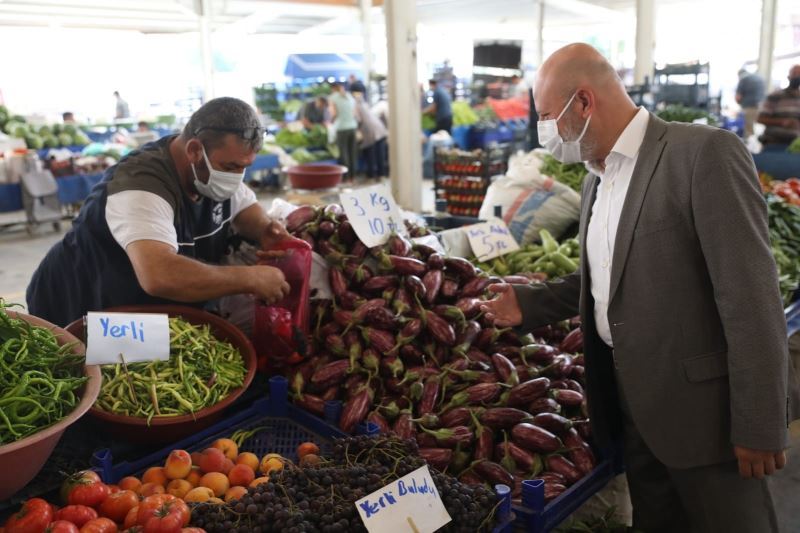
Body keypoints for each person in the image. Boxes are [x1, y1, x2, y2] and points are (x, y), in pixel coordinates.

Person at [481, 43, 799, 533]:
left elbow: (752, 299)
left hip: (706, 420)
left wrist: (760, 422)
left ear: (583, 103)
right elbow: (605, 277)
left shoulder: (701, 154)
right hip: (634, 410)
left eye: (546, 117)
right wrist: (527, 302)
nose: (544, 133)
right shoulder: (595, 179)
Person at [27, 97, 290, 328]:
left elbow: (245, 210)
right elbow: (160, 275)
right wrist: (250, 278)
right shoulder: (141, 187)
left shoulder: (211, 172)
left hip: (136, 313)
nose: (236, 176)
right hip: (81, 303)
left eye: (244, 167)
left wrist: (266, 229)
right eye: (231, 166)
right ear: (195, 150)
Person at [757, 64, 800, 149]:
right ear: (788, 77)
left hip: (795, 145)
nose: (797, 77)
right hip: (773, 141)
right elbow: (760, 119)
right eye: (794, 74)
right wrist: (783, 122)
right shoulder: (775, 96)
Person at [353, 92, 387, 179]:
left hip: (369, 131)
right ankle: (381, 174)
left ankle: (371, 175)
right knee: (380, 154)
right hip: (380, 129)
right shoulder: (365, 104)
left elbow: (358, 120)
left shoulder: (355, 106)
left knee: (370, 154)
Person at [329, 82, 358, 180]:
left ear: (333, 89)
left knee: (343, 153)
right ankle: (352, 177)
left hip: (341, 128)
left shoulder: (333, 97)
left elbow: (334, 114)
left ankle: (345, 177)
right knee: (352, 153)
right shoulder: (349, 96)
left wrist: (330, 122)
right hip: (353, 127)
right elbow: (354, 113)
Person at [735, 68, 765, 139]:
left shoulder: (744, 79)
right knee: (754, 126)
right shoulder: (759, 78)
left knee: (748, 131)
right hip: (760, 106)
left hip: (748, 107)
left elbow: (738, 97)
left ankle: (749, 148)